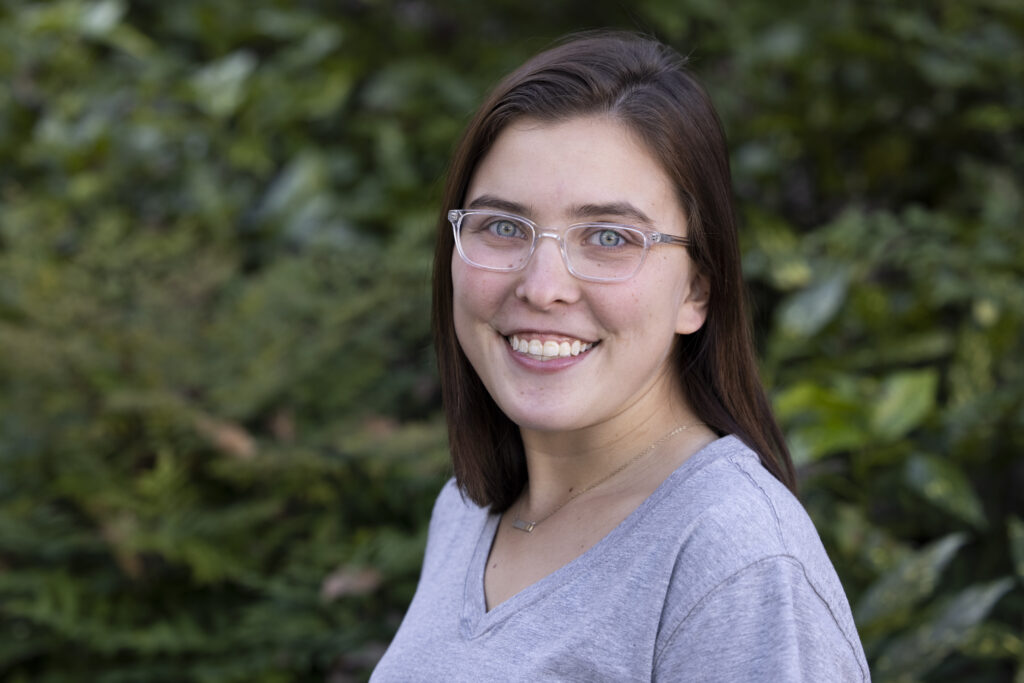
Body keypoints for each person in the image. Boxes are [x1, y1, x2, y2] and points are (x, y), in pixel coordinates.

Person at [372, 31, 869, 681]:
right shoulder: (467, 513)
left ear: (697, 287)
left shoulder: (734, 561)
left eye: (608, 236)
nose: (542, 285)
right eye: (501, 226)